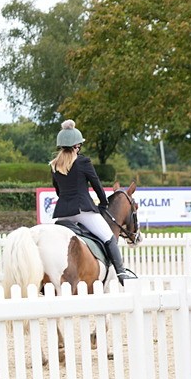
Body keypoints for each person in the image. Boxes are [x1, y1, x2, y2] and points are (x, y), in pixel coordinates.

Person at [49, 119, 136, 280]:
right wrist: (103, 203)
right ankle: (121, 272)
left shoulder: (54, 165)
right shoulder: (83, 161)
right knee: (109, 237)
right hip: (83, 211)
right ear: (77, 145)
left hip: (63, 214)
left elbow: (59, 191)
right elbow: (97, 185)